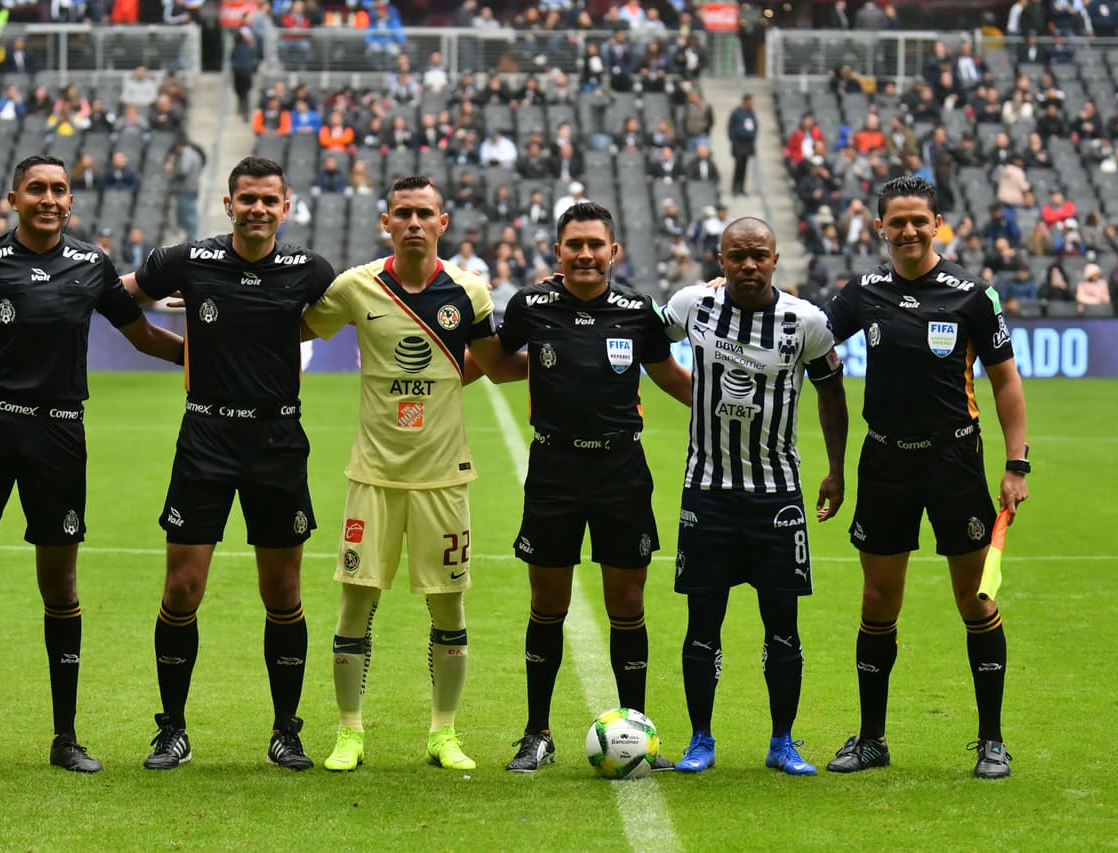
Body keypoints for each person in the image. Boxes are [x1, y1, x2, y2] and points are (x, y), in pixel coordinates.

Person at [0, 155, 183, 773]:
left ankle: (65, 737)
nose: (49, 199)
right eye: (37, 189)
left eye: (59, 190)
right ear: (14, 198)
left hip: (58, 434)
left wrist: (211, 358)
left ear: (70, 202)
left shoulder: (91, 265)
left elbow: (142, 336)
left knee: (62, 585)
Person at [301, 176, 518, 772]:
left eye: (426, 213)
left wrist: (573, 339)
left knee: (448, 610)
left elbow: (496, 366)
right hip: (372, 474)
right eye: (404, 213)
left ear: (443, 223)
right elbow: (291, 328)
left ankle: (443, 733)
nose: (415, 222)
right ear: (386, 221)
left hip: (444, 478)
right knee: (355, 606)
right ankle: (349, 732)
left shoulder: (469, 293)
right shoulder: (356, 286)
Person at [127, 156, 337, 771]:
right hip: (206, 438)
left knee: (283, 591)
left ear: (286, 206)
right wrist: (183, 356)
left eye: (269, 200)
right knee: (182, 588)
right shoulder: (187, 261)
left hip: (277, 441)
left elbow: (364, 315)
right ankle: (171, 729)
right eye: (247, 199)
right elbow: (119, 306)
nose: (258, 209)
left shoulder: (309, 270)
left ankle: (286, 731)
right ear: (229, 204)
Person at [822, 176, 1029, 779]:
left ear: (937, 223)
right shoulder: (862, 292)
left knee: (975, 599)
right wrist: (724, 292)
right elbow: (804, 331)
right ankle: (871, 740)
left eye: (920, 220)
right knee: (878, 599)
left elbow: (1006, 382)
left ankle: (991, 740)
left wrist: (1016, 464)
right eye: (897, 221)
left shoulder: (972, 295)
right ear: (880, 227)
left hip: (954, 462)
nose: (909, 230)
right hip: (884, 461)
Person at [497, 202, 693, 773]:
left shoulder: (637, 310)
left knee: (627, 605)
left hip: (621, 473)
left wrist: (733, 410)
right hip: (554, 471)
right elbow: (494, 358)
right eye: (574, 244)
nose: (585, 254)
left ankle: (635, 727)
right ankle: (537, 733)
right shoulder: (530, 305)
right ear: (557, 251)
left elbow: (671, 378)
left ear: (614, 251)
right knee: (547, 604)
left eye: (595, 245)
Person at [660, 217, 848, 776]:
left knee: (782, 624)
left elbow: (832, 393)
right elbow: (643, 335)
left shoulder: (805, 321)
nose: (748, 264)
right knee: (703, 622)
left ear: (775, 258)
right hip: (708, 493)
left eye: (758, 255)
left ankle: (783, 741)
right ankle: (700, 738)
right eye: (737, 255)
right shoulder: (693, 306)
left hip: (778, 497)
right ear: (720, 259)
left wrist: (836, 471)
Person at [727, 93, 758, 197]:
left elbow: (755, 126)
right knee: (738, 166)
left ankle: (741, 187)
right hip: (739, 143)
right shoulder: (737, 113)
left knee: (745, 166)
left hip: (747, 144)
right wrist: (733, 139)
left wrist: (752, 137)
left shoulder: (751, 113)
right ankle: (735, 187)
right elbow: (730, 127)